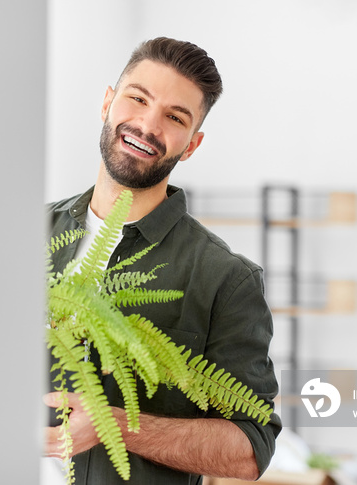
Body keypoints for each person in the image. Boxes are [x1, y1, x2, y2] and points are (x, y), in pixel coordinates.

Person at [44, 37, 281, 484]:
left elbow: (251, 448)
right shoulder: (17, 236)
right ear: (107, 103)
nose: (148, 125)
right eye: (138, 99)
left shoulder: (225, 280)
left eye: (175, 117)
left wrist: (115, 425)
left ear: (191, 144)